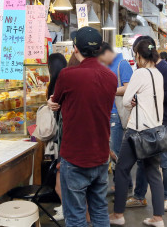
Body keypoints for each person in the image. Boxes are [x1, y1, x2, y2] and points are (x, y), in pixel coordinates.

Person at [48, 27, 117, 227]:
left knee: (76, 216)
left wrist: (51, 103)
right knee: (99, 210)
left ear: (76, 49)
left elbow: (56, 100)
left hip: (75, 156)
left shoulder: (68, 75)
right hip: (101, 155)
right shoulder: (110, 77)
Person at [110, 39, 165, 227]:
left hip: (137, 131)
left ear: (139, 55)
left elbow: (126, 101)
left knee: (122, 170)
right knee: (154, 173)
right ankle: (158, 218)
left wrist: (132, 101)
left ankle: (118, 215)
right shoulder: (158, 74)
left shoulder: (140, 73)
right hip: (156, 130)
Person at [127, 36, 167, 212]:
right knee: (143, 161)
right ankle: (140, 196)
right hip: (144, 124)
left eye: (137, 55)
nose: (136, 59)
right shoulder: (141, 70)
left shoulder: (165, 69)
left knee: (165, 162)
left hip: (162, 123)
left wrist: (146, 96)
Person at [98, 43, 133, 159]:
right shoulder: (105, 65)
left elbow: (128, 88)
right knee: (106, 150)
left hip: (116, 113)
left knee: (115, 151)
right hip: (104, 112)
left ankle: (118, 174)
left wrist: (107, 91)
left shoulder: (122, 64)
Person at [46, 53, 68, 221]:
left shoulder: (55, 85)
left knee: (61, 173)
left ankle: (66, 208)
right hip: (68, 135)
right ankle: (66, 206)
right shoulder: (68, 80)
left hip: (62, 137)